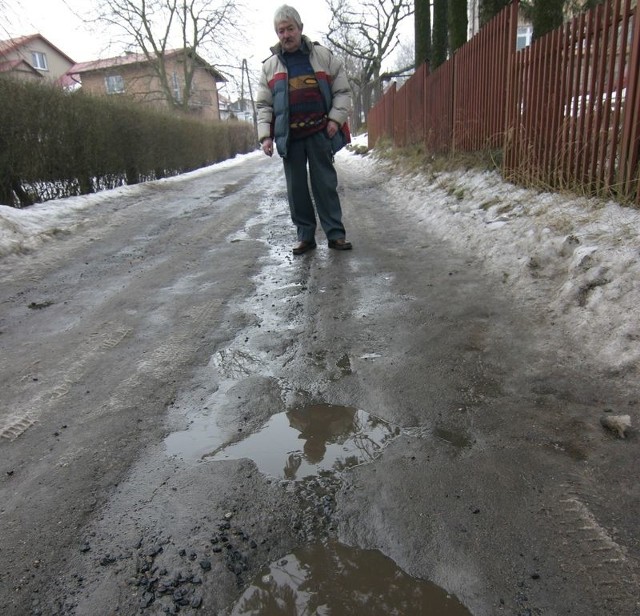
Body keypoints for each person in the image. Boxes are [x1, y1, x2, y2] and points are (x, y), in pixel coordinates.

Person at [257, 4, 353, 255]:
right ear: (277, 34)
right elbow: (264, 105)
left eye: (290, 29)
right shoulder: (270, 66)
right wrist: (265, 136)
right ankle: (306, 237)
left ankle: (335, 234)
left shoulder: (322, 57)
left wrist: (334, 120)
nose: (286, 35)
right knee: (296, 191)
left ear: (300, 28)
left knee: (325, 185)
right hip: (290, 138)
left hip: (320, 132)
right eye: (281, 31)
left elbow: (342, 91)